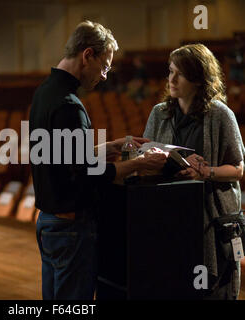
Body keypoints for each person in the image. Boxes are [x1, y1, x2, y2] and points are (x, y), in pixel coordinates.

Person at [29, 21, 167, 300]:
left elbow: (64, 159)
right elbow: (86, 174)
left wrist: (112, 146)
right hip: (70, 228)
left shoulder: (44, 93)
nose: (104, 76)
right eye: (104, 66)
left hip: (48, 223)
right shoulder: (69, 105)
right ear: (87, 55)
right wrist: (139, 164)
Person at [143, 44, 245, 300]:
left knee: (211, 291)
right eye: (170, 72)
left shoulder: (221, 115)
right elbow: (146, 156)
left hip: (210, 219)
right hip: (171, 215)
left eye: (180, 73)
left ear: (199, 79)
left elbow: (238, 169)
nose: (172, 79)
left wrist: (205, 172)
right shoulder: (160, 113)